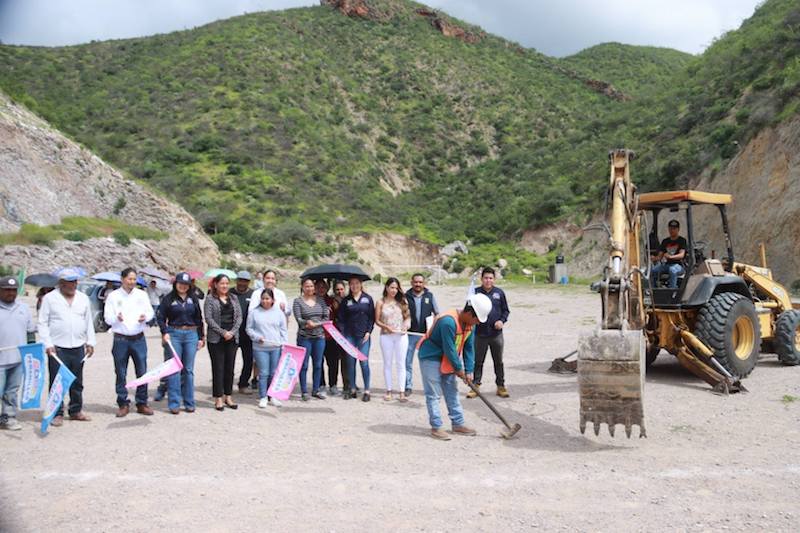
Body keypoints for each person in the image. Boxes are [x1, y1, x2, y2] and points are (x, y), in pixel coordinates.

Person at [417, 292, 491, 440]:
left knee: (452, 392)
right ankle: (436, 427)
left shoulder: (470, 325)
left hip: (448, 358)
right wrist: (459, 369)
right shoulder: (448, 321)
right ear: (469, 313)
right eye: (477, 319)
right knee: (434, 394)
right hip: (431, 357)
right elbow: (449, 348)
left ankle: (457, 423)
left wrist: (469, 370)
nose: (477, 322)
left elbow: (469, 348)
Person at [38, 268, 96, 425]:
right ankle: (56, 413)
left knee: (77, 381)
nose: (73, 285)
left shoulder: (83, 298)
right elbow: (42, 322)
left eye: (75, 282)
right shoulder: (50, 298)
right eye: (70, 282)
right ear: (61, 283)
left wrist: (90, 342)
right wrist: (47, 344)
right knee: (57, 381)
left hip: (78, 346)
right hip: (57, 348)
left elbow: (88, 321)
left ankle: (75, 410)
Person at [104, 267, 155, 417]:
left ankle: (142, 402)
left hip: (138, 338)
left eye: (134, 279)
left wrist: (145, 317)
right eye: (129, 279)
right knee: (121, 372)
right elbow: (107, 318)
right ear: (122, 279)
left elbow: (150, 312)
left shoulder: (141, 295)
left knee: (142, 371)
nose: (132, 282)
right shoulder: (113, 296)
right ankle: (123, 402)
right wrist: (116, 318)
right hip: (121, 339)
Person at [156, 272, 205, 414]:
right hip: (174, 334)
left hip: (191, 334)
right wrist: (164, 332)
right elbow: (160, 317)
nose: (183, 286)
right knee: (174, 369)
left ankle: (189, 402)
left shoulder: (193, 298)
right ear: (175, 284)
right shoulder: (168, 299)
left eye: (186, 284)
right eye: (180, 283)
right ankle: (174, 403)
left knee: (188, 370)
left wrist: (201, 337)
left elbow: (199, 318)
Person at [468, 267, 511, 399]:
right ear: (481, 279)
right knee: (478, 361)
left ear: (494, 279)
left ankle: (500, 386)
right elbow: (468, 310)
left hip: (496, 334)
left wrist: (501, 321)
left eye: (490, 278)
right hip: (480, 334)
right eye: (486, 278)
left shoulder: (499, 293)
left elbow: (506, 310)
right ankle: (475, 386)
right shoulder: (475, 293)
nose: (488, 280)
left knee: (498, 361)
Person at [0, 276, 36, 431]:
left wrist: (32, 351)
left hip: (17, 359)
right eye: (7, 290)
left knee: (11, 391)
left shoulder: (24, 308)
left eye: (13, 290)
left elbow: (30, 332)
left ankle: (8, 417)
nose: (11, 293)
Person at [204, 274, 242, 411]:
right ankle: (218, 398)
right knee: (218, 369)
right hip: (216, 339)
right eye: (222, 283)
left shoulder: (234, 298)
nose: (224, 286)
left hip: (232, 338)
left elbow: (239, 317)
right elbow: (208, 319)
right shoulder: (210, 299)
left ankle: (228, 396)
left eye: (226, 283)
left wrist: (232, 332)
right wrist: (223, 332)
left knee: (230, 369)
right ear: (216, 284)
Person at [248, 269, 291, 389]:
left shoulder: (280, 293)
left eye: (273, 278)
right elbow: (252, 311)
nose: (270, 281)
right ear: (263, 279)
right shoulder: (257, 293)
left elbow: (288, 312)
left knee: (274, 366)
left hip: (276, 334)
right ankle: (256, 379)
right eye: (268, 278)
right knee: (260, 363)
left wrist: (284, 309)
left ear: (276, 281)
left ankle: (272, 389)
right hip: (261, 332)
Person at [246, 288, 288, 407]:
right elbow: (249, 329)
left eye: (267, 298)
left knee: (274, 373)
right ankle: (263, 397)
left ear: (273, 300)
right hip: (260, 348)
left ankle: (272, 396)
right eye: (263, 298)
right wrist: (256, 337)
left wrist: (284, 344)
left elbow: (283, 330)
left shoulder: (279, 313)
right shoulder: (254, 312)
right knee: (264, 373)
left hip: (275, 347)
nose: (265, 301)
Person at [338, 276, 374, 402]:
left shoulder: (367, 299)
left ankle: (367, 390)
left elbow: (371, 317)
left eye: (357, 283)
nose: (354, 286)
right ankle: (352, 389)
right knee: (350, 363)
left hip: (363, 337)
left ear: (361, 284)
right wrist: (343, 334)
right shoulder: (346, 301)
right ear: (349, 285)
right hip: (350, 336)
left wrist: (369, 331)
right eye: (352, 284)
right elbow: (341, 319)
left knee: (364, 363)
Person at [293, 278, 330, 401]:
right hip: (304, 338)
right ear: (302, 287)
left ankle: (316, 390)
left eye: (311, 286)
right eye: (307, 286)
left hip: (319, 337)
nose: (309, 288)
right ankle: (304, 391)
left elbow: (326, 318)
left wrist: (316, 324)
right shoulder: (297, 301)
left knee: (318, 364)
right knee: (304, 365)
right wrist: (307, 323)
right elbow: (298, 319)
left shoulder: (321, 300)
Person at [375, 277, 411, 402]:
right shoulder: (380, 302)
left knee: (401, 363)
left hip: (401, 336)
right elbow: (377, 320)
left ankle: (401, 392)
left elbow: (407, 318)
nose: (394, 290)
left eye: (396, 288)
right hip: (386, 336)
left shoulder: (402, 301)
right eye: (392, 288)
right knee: (387, 363)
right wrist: (386, 327)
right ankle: (389, 391)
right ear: (386, 288)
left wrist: (406, 326)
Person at [404, 273, 439, 396]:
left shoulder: (430, 296)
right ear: (411, 283)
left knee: (427, 363)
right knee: (407, 362)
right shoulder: (405, 296)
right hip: (410, 334)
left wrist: (432, 329)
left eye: (420, 282)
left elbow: (437, 314)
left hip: (425, 336)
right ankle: (407, 386)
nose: (418, 284)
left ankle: (430, 386)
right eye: (416, 282)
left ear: (424, 283)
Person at [231, 271, 254, 395]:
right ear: (236, 280)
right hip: (231, 334)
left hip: (248, 334)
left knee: (248, 361)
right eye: (240, 280)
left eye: (245, 281)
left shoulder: (254, 294)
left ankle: (243, 384)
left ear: (248, 282)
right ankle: (227, 385)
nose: (242, 283)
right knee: (229, 361)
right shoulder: (229, 293)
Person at [651, 219, 688, 289]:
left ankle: (672, 290)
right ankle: (654, 290)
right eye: (670, 228)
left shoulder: (682, 240)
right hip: (667, 265)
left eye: (674, 229)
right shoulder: (665, 241)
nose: (672, 230)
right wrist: (654, 258)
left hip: (679, 266)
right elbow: (660, 256)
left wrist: (671, 257)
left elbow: (681, 255)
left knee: (672, 270)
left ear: (678, 229)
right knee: (653, 270)